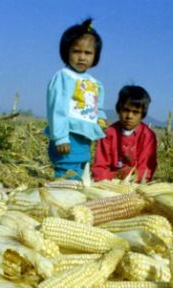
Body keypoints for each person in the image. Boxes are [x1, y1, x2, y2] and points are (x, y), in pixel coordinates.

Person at [44, 18, 107, 180]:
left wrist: (100, 119)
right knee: (67, 171)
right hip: (68, 136)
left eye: (88, 53)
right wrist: (60, 137)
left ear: (95, 56)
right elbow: (56, 108)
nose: (82, 57)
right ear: (66, 52)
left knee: (80, 168)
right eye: (76, 51)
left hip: (84, 138)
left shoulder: (94, 83)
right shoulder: (64, 77)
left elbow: (97, 106)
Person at [93, 85, 158, 182]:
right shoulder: (108, 134)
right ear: (118, 109)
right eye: (126, 110)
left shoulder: (148, 136)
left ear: (142, 115)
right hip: (109, 183)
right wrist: (115, 176)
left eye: (135, 112)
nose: (129, 116)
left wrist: (133, 176)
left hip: (135, 184)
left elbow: (146, 169)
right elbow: (99, 167)